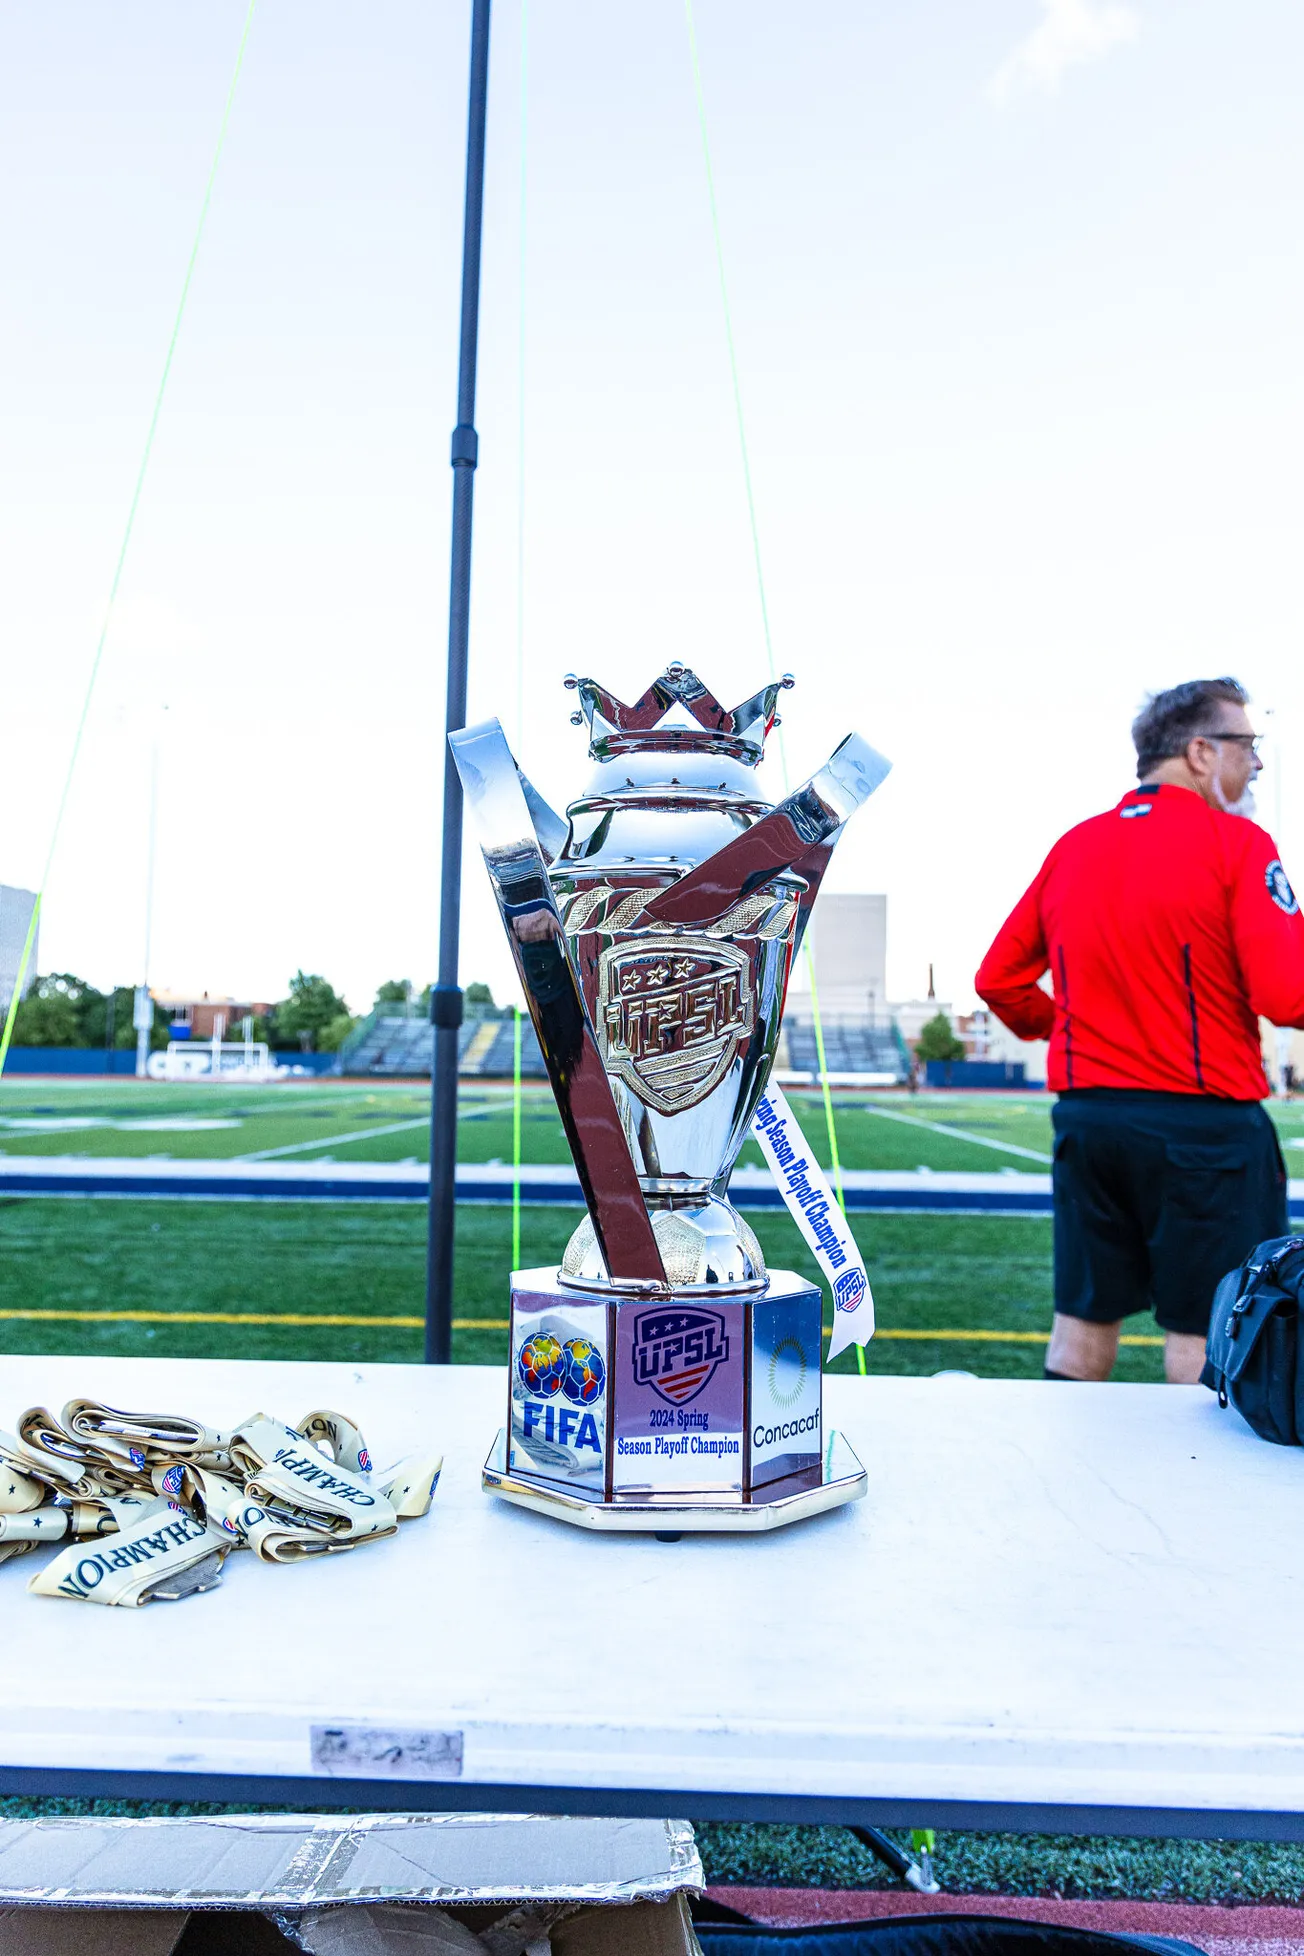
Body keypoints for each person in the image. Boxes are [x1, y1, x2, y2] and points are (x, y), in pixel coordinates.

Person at [975, 677, 1304, 1383]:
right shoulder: (1238, 842)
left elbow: (997, 979)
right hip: (1203, 1131)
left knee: (1080, 1327)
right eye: (1248, 747)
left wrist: (1066, 1029)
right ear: (1200, 751)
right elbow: (1287, 995)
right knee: (1206, 1332)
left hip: (1090, 1122)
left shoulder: (1076, 845)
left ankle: (1060, 1493)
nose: (1256, 766)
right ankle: (1200, 1497)